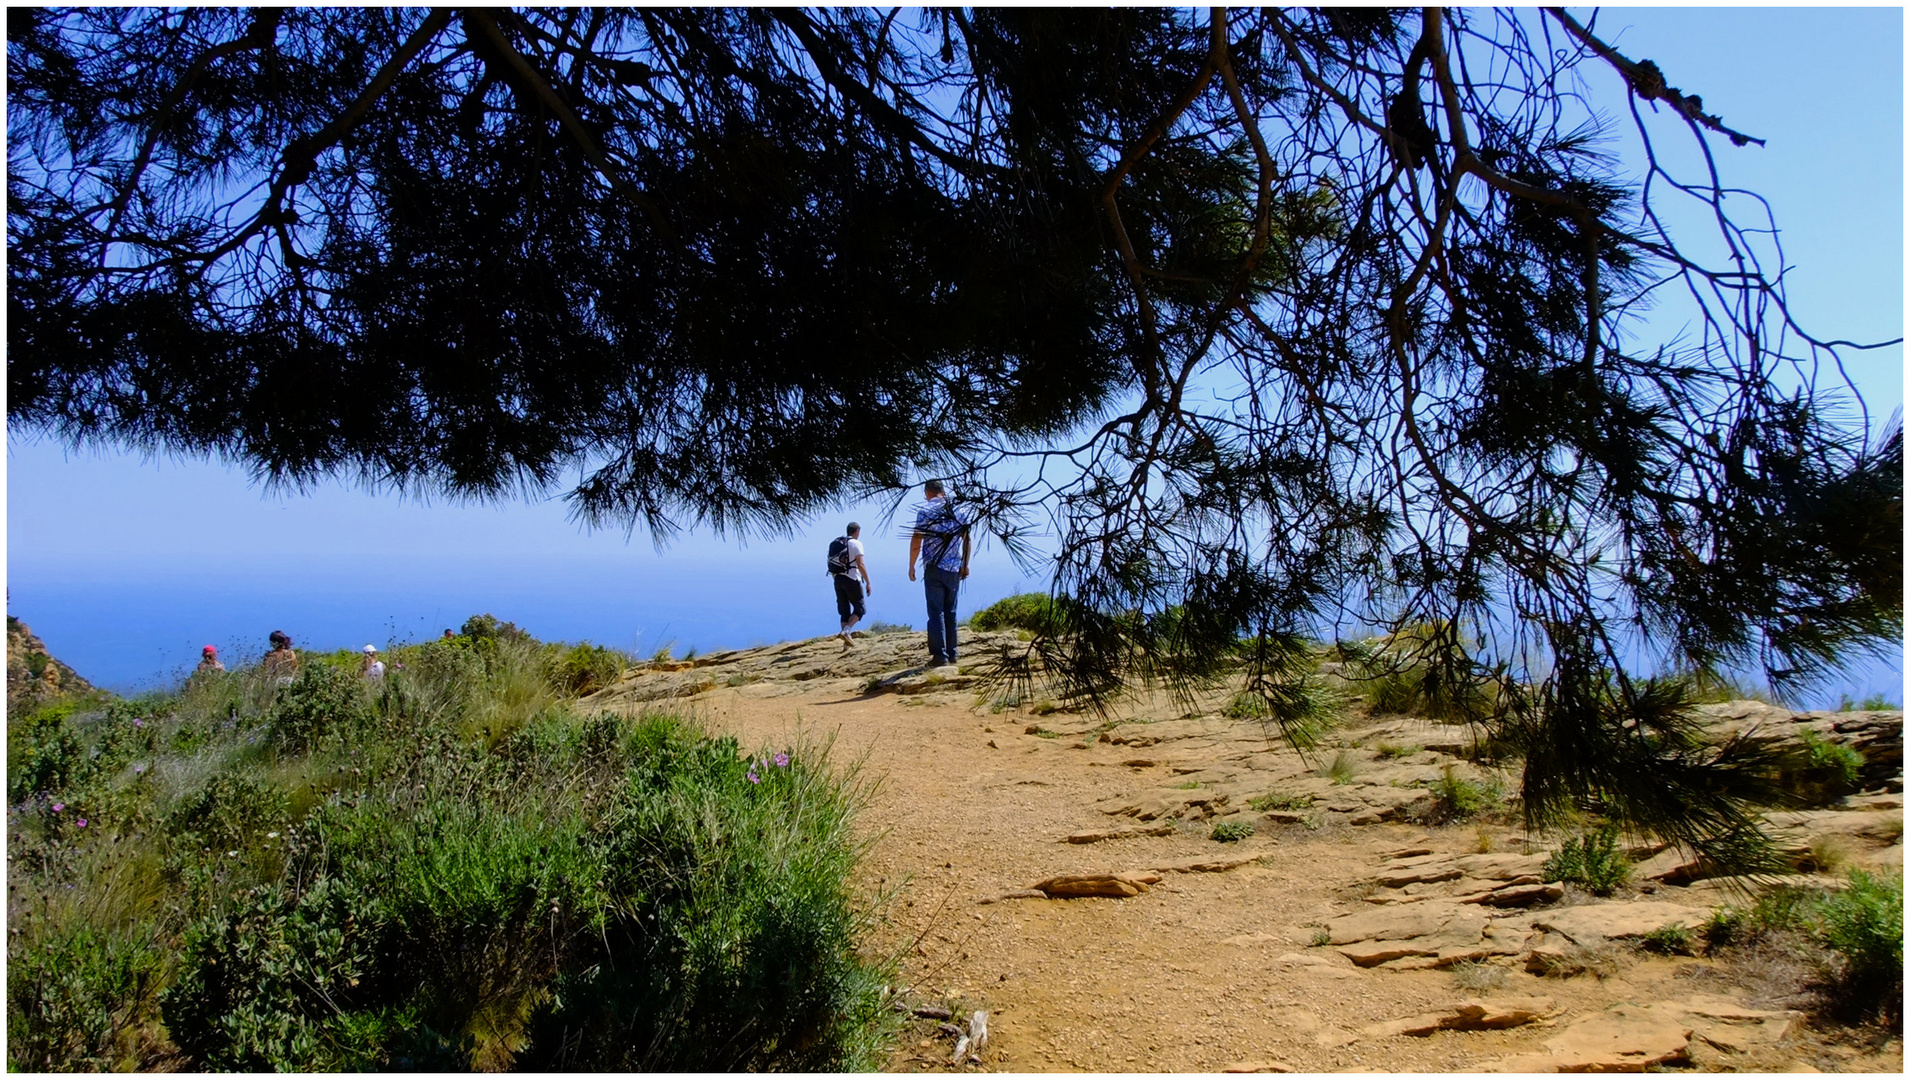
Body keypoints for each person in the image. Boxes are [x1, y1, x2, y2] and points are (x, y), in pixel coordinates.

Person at [907, 479, 970, 668]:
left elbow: (917, 538)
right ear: (942, 491)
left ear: (928, 492)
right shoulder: (959, 510)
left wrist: (911, 566)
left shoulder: (925, 511)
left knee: (936, 612)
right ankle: (953, 653)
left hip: (933, 567)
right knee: (951, 611)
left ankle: (939, 656)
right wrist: (965, 564)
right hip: (953, 567)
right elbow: (967, 539)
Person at [828, 522, 874, 648]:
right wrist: (868, 582)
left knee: (844, 610)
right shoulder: (856, 543)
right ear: (857, 531)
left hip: (837, 579)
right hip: (852, 578)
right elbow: (860, 564)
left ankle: (846, 644)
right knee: (860, 609)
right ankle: (846, 631)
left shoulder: (837, 543)